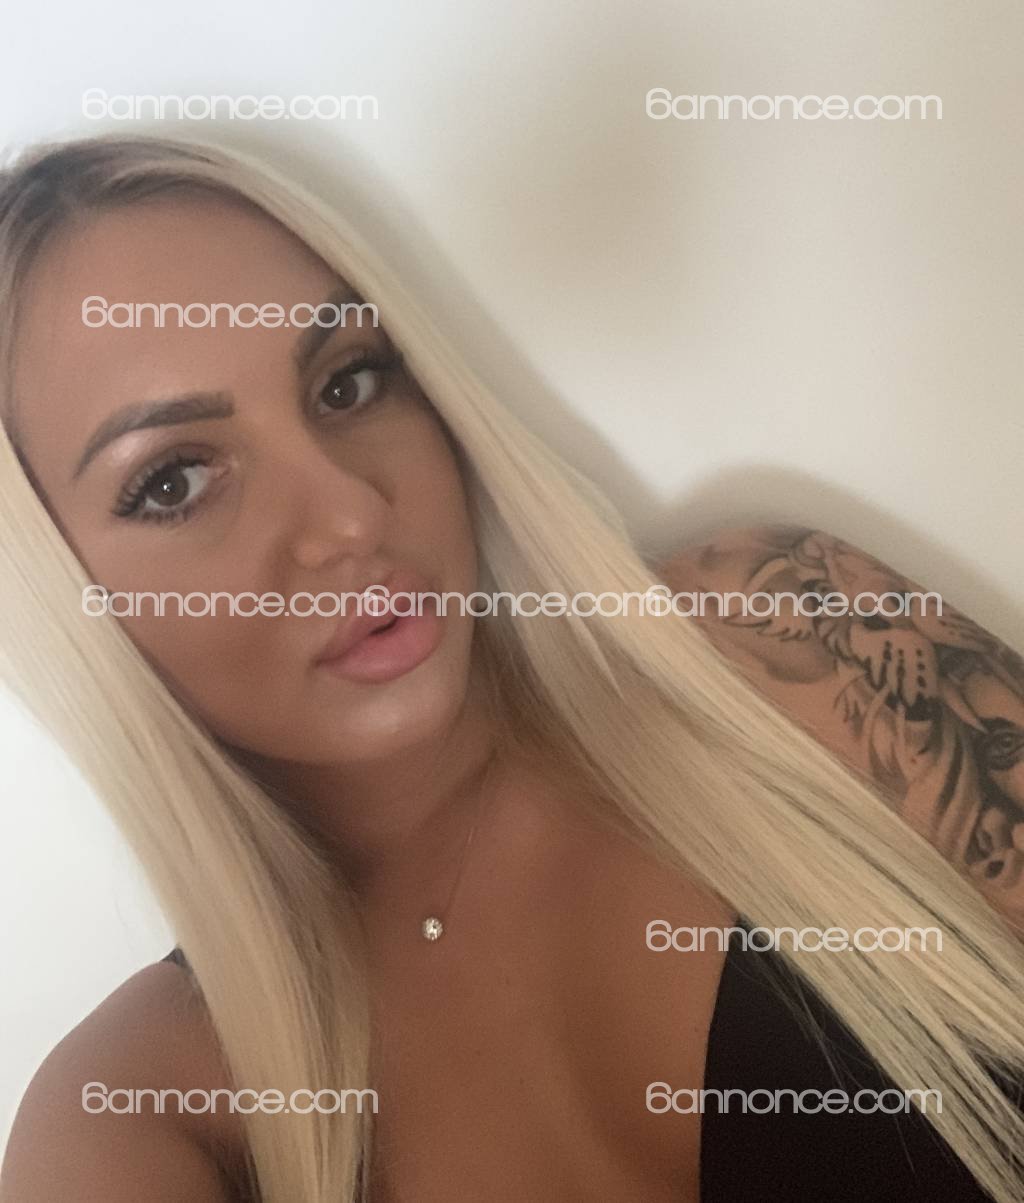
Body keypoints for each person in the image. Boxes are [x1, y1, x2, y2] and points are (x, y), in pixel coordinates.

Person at [0, 133, 1022, 1203]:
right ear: (66, 603)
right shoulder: (126, 1114)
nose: (350, 514)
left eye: (348, 382)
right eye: (172, 481)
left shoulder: (783, 632)